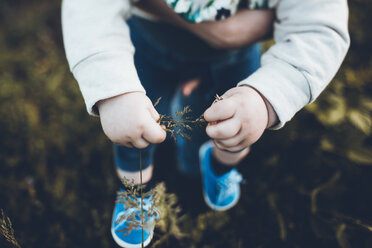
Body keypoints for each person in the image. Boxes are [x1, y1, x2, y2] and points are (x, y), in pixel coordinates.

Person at [62, 0, 350, 247]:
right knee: (133, 130)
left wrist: (266, 96)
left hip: (233, 60)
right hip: (147, 49)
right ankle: (137, 192)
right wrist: (114, 89)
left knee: (234, 129)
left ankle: (217, 165)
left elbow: (319, 28)